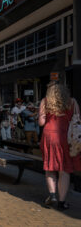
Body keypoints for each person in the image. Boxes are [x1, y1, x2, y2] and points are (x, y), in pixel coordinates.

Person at [39, 82, 81, 210]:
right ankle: (62, 202)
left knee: (50, 167)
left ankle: (52, 195)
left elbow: (41, 122)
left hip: (49, 136)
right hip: (66, 137)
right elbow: (78, 120)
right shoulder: (72, 102)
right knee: (64, 169)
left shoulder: (45, 101)